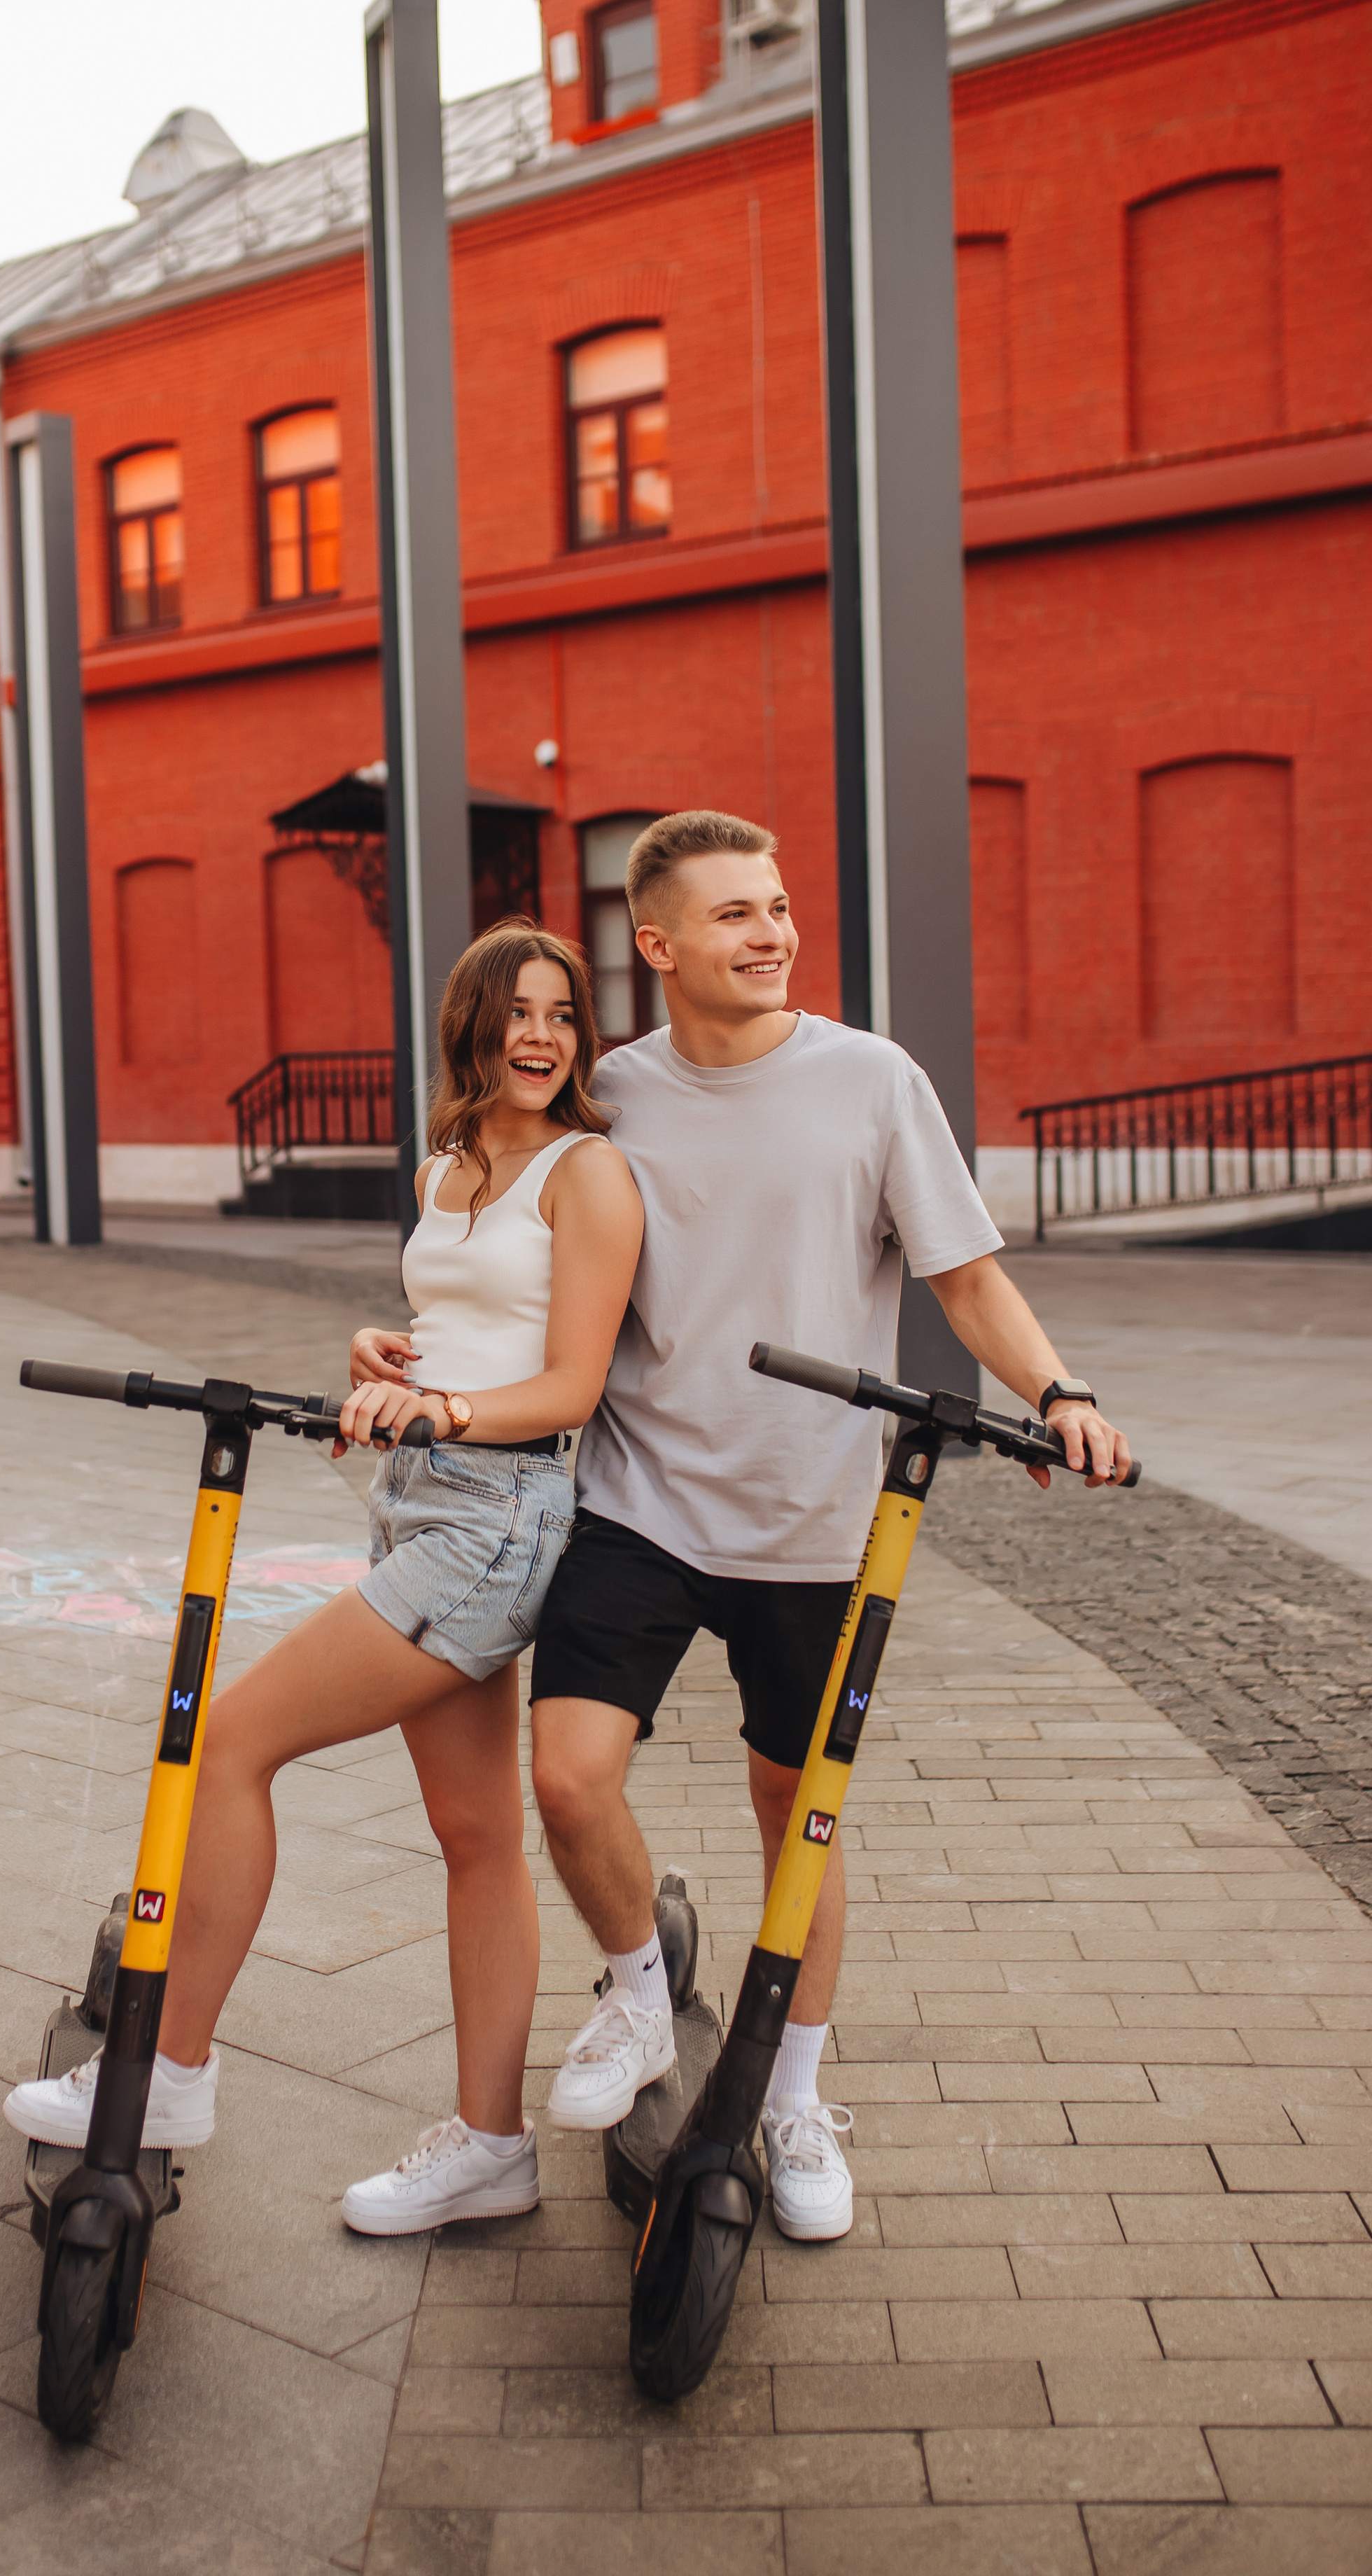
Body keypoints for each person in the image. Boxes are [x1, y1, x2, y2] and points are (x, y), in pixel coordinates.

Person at [527, 809, 1133, 2246]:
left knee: (790, 1814)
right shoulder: (611, 1094)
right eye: (735, 914)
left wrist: (1058, 1390)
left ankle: (792, 2092)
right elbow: (525, 1253)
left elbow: (964, 1275)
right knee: (565, 1777)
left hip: (811, 1518)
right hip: (638, 1499)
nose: (773, 933)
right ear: (656, 943)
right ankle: (635, 1998)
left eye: (780, 905)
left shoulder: (868, 1081)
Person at [6, 921, 643, 2235]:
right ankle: (491, 2145)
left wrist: (445, 1416)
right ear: (473, 1025)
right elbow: (466, 1323)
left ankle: (171, 2074)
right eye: (517, 1012)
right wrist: (387, 1355)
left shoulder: (591, 1175)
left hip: (498, 1519)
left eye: (564, 1015)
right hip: (418, 1501)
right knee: (474, 1839)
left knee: (229, 1744)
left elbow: (572, 1385)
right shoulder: (450, 1167)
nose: (541, 1036)